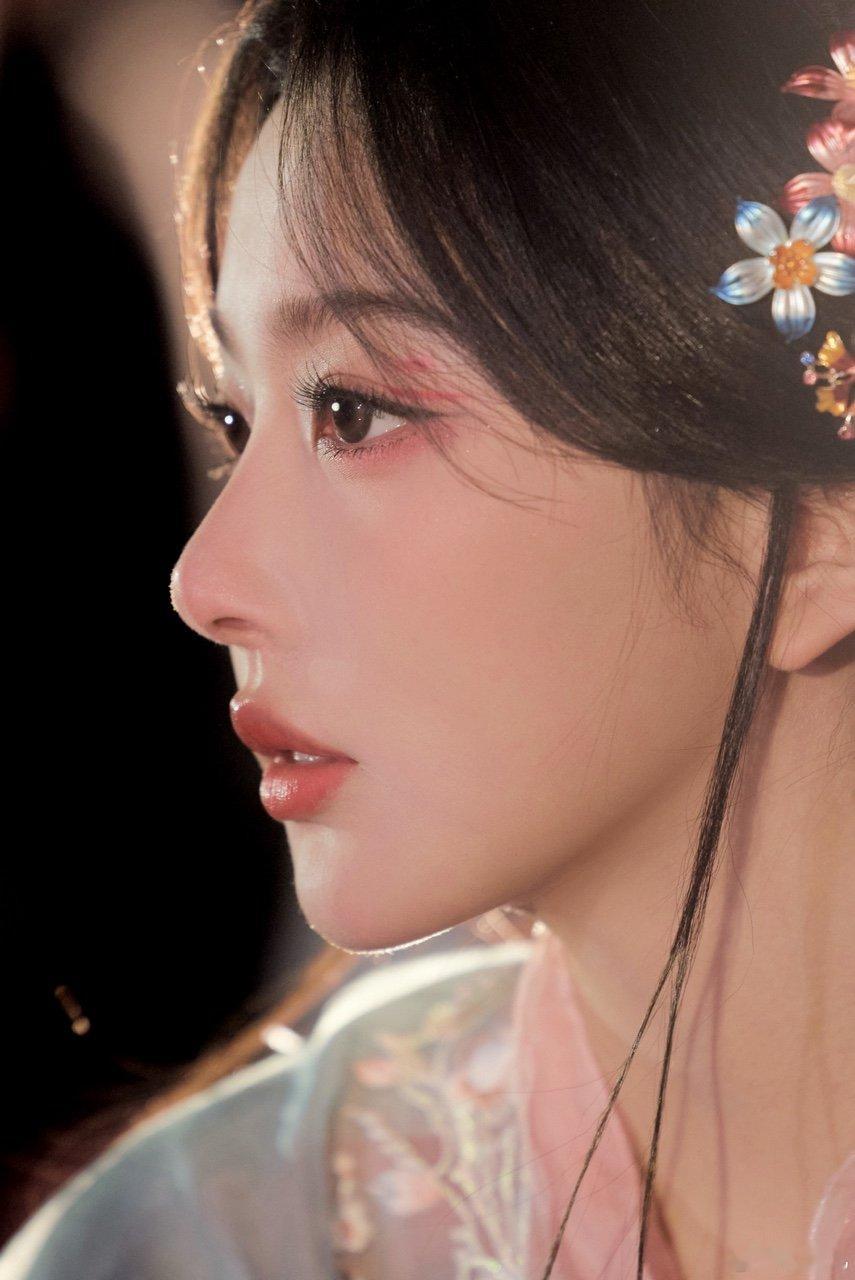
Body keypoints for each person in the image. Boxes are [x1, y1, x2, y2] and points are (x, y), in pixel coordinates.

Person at [1, 0, 853, 1276]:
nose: (202, 582)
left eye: (352, 410)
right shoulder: (194, 1246)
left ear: (820, 527)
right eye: (235, 425)